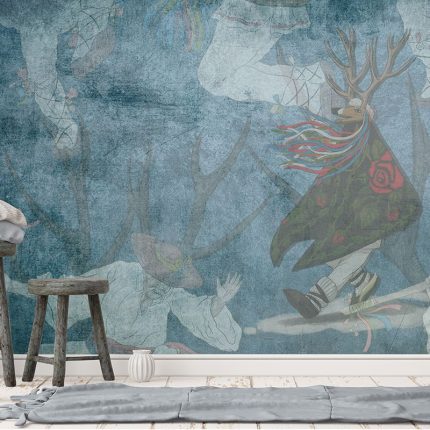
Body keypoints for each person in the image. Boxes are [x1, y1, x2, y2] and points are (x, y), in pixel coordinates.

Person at [198, 0, 326, 114]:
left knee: (212, 77)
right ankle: (311, 83)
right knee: (214, 78)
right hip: (256, 8)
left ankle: (311, 84)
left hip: (254, 8)